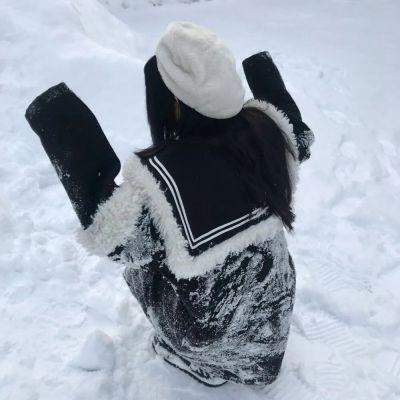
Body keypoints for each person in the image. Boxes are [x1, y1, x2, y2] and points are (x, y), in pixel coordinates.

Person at [25, 21, 314, 387]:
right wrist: (261, 71)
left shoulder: (162, 182)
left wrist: (58, 116)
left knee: (142, 267)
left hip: (216, 336)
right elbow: (299, 135)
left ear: (173, 100)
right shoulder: (267, 129)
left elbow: (108, 232)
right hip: (273, 312)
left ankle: (202, 364)